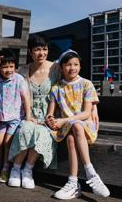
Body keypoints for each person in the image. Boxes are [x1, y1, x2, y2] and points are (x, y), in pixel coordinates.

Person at [46, 50, 110, 200]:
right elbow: (50, 112)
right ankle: (74, 183)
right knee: (70, 139)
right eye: (68, 65)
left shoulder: (86, 84)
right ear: (61, 67)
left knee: (77, 126)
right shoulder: (56, 87)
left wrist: (62, 121)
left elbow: (87, 113)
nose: (72, 68)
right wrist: (50, 119)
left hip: (85, 125)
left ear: (80, 66)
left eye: (76, 64)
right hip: (68, 129)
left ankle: (90, 172)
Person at [7, 34, 61, 189]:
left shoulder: (56, 68)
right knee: (26, 129)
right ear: (30, 52)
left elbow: (71, 84)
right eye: (37, 49)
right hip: (28, 114)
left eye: (44, 49)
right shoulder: (23, 70)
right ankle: (16, 169)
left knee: (43, 133)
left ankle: (27, 170)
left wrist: (92, 108)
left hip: (49, 116)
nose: (42, 53)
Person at [0, 49, 31, 183]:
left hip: (15, 117)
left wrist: (28, 117)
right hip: (2, 117)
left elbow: (26, 98)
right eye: (5, 66)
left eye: (11, 66)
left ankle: (5, 168)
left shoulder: (19, 79)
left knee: (7, 142)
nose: (9, 69)